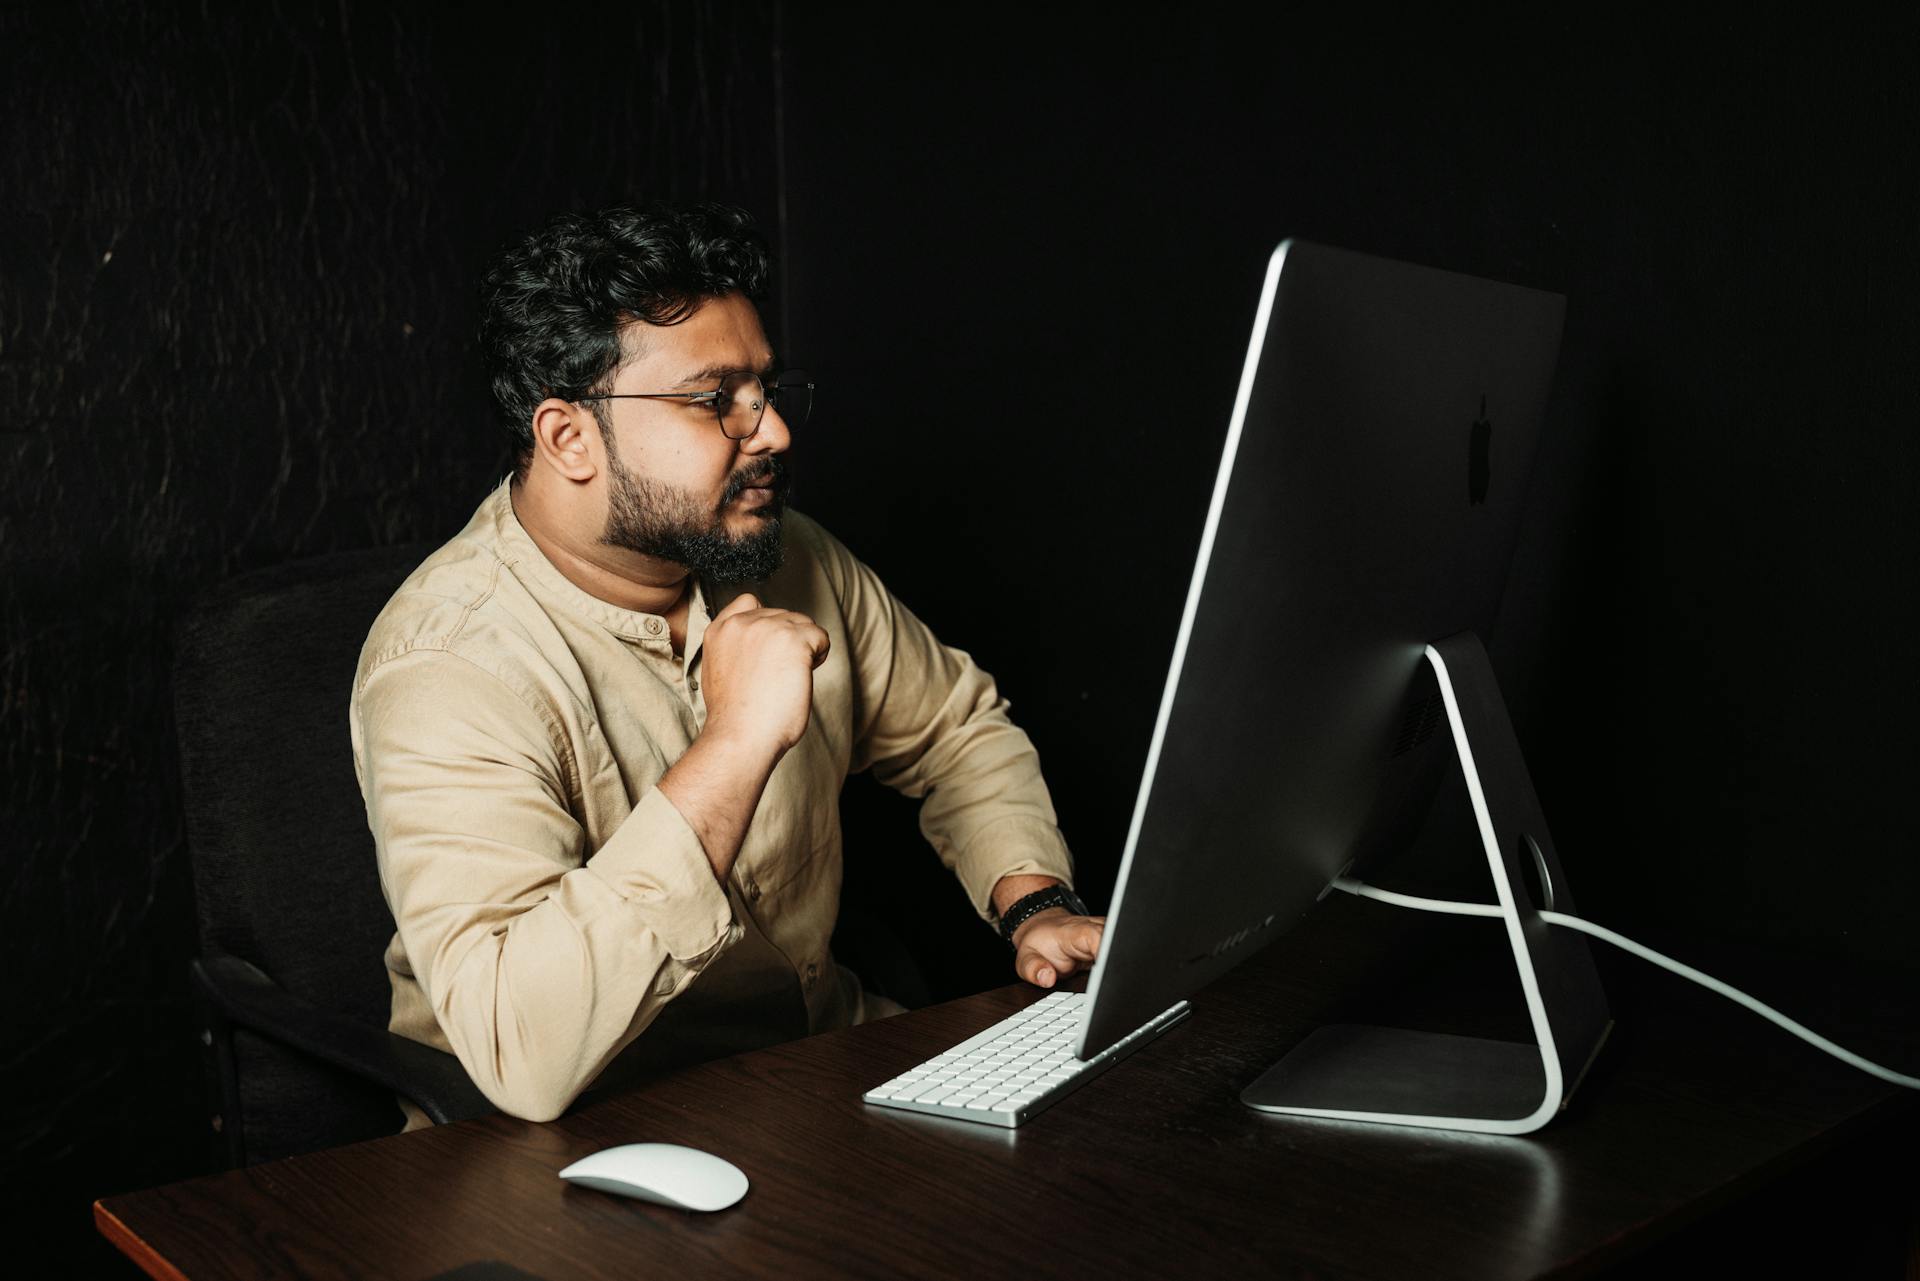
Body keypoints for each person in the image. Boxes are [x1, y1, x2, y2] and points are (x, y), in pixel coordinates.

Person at [350, 203, 1104, 1124]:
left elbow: (956, 729)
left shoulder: (794, 557)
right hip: (573, 1144)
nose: (775, 432)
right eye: (717, 400)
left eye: (767, 389)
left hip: (815, 1070)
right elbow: (521, 1052)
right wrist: (736, 743)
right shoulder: (448, 665)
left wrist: (1036, 903)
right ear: (568, 437)